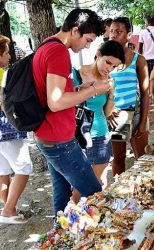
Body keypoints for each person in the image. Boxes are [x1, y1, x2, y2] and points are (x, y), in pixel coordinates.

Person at [32, 9, 108, 215]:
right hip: (58, 139)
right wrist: (94, 90)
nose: (88, 45)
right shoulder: (58, 52)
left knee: (61, 195)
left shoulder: (47, 45)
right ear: (75, 31)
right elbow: (56, 102)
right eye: (88, 40)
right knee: (95, 194)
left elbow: (51, 94)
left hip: (49, 136)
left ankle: (60, 238)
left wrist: (77, 91)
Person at [71, 40, 125, 202]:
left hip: (100, 134)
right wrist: (86, 90)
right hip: (78, 136)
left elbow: (106, 112)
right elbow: (67, 103)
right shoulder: (76, 74)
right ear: (98, 54)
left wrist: (112, 94)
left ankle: (96, 220)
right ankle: (77, 218)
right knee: (79, 186)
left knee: (100, 183)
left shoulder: (109, 81)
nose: (109, 68)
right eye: (108, 62)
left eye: (114, 66)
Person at [108, 17, 149, 176]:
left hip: (136, 113)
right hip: (115, 116)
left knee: (142, 160)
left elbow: (145, 93)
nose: (113, 35)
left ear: (129, 34)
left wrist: (143, 122)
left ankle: (144, 194)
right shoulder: (104, 59)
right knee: (118, 159)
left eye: (119, 31)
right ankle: (118, 193)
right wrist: (107, 111)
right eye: (111, 30)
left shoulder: (138, 60)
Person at [0, 35, 32, 224]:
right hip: (6, 129)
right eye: (5, 53)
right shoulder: (2, 74)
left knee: (3, 170)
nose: (9, 57)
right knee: (23, 167)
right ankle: (9, 209)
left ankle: (8, 208)